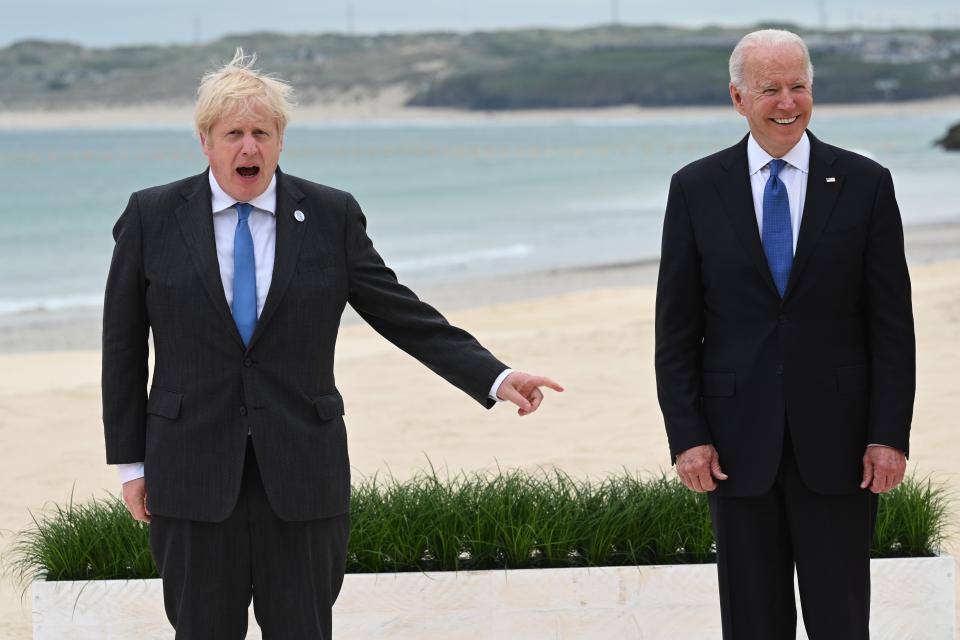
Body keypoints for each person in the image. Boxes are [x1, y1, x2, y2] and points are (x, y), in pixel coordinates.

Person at [102, 49, 563, 639]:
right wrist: (131, 464)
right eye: (234, 134)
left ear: (281, 140)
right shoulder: (152, 216)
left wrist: (496, 377)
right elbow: (122, 347)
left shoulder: (328, 214)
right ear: (205, 141)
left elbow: (403, 314)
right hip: (189, 472)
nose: (249, 148)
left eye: (262, 133)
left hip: (302, 472)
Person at [654, 29, 915, 639]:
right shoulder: (695, 188)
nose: (787, 102)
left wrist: (888, 435)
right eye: (769, 88)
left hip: (843, 443)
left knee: (841, 618)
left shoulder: (865, 183)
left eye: (798, 86)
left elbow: (892, 328)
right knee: (752, 621)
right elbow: (675, 329)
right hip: (734, 445)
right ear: (737, 98)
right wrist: (687, 435)